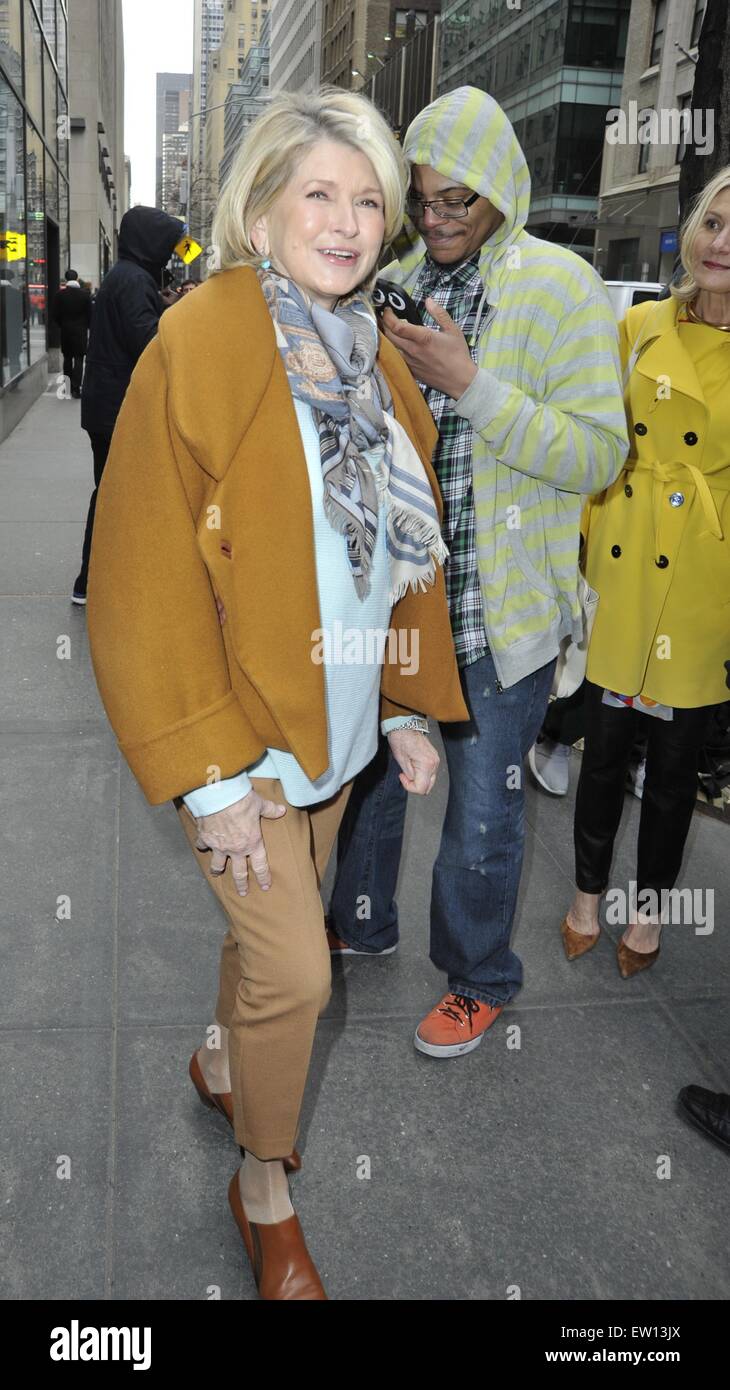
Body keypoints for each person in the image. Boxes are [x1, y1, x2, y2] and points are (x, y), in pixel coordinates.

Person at [86, 88, 467, 1300]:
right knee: (300, 970)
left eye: (370, 201)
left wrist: (406, 707)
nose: (350, 223)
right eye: (321, 193)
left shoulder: (379, 363)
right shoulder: (198, 342)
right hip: (239, 742)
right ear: (261, 209)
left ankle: (219, 1057)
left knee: (268, 955)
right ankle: (264, 1185)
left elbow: (407, 560)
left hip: (337, 732)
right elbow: (142, 574)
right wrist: (210, 779)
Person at [327, 86, 629, 1057]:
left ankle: (479, 974)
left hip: (501, 614)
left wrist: (470, 384)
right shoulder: (396, 280)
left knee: (484, 813)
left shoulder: (560, 286)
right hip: (400, 596)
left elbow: (595, 455)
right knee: (368, 781)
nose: (436, 218)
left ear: (501, 186)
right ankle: (360, 920)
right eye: (421, 199)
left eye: (457, 199)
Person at [561, 166, 730, 977]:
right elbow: (600, 439)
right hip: (624, 561)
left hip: (703, 577)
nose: (721, 244)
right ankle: (588, 896)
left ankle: (650, 911)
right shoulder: (639, 326)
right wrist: (580, 552)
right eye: (713, 223)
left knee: (672, 770)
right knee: (604, 745)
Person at [72, 206, 185, 605]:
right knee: (115, 493)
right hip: (116, 409)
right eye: (167, 245)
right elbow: (148, 341)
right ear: (151, 243)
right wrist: (177, 315)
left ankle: (94, 579)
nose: (172, 254)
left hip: (106, 405)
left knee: (111, 490)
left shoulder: (127, 276)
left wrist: (164, 305)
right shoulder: (135, 280)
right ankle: (93, 580)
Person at [51, 268, 92, 398]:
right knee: (79, 359)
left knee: (67, 359)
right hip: (80, 332)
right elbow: (90, 315)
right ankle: (76, 388)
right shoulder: (85, 295)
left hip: (66, 331)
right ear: (77, 278)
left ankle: (67, 388)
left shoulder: (59, 295)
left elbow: (55, 315)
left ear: (66, 279)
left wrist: (62, 325)